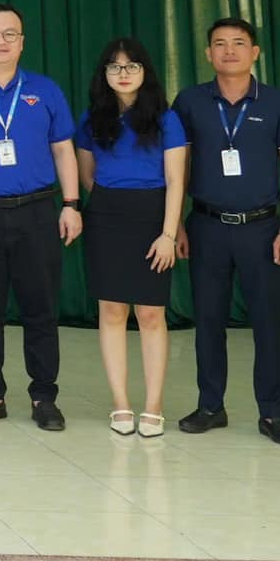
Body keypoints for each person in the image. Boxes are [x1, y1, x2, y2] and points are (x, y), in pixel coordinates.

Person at [0, 3, 81, 432]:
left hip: (37, 212)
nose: (0, 42)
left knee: (40, 309)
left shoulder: (45, 89)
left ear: (22, 42)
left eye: (9, 34)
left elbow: (63, 149)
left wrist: (71, 204)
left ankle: (44, 396)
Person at [173, 17, 280, 447]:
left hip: (263, 229)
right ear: (208, 53)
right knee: (208, 321)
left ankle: (273, 414)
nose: (229, 50)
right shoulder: (189, 102)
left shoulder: (279, 103)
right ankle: (211, 406)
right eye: (219, 43)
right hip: (206, 226)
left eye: (239, 43)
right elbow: (178, 168)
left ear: (255, 52)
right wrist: (176, 224)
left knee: (267, 324)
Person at [76, 37, 186, 439]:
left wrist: (168, 234)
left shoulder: (167, 119)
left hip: (153, 216)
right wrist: (110, 204)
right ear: (104, 74)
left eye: (132, 66)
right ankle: (120, 403)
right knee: (111, 311)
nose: (123, 74)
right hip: (106, 215)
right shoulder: (91, 119)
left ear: (145, 72)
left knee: (151, 313)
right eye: (115, 66)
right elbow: (87, 175)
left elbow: (176, 180)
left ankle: (153, 405)